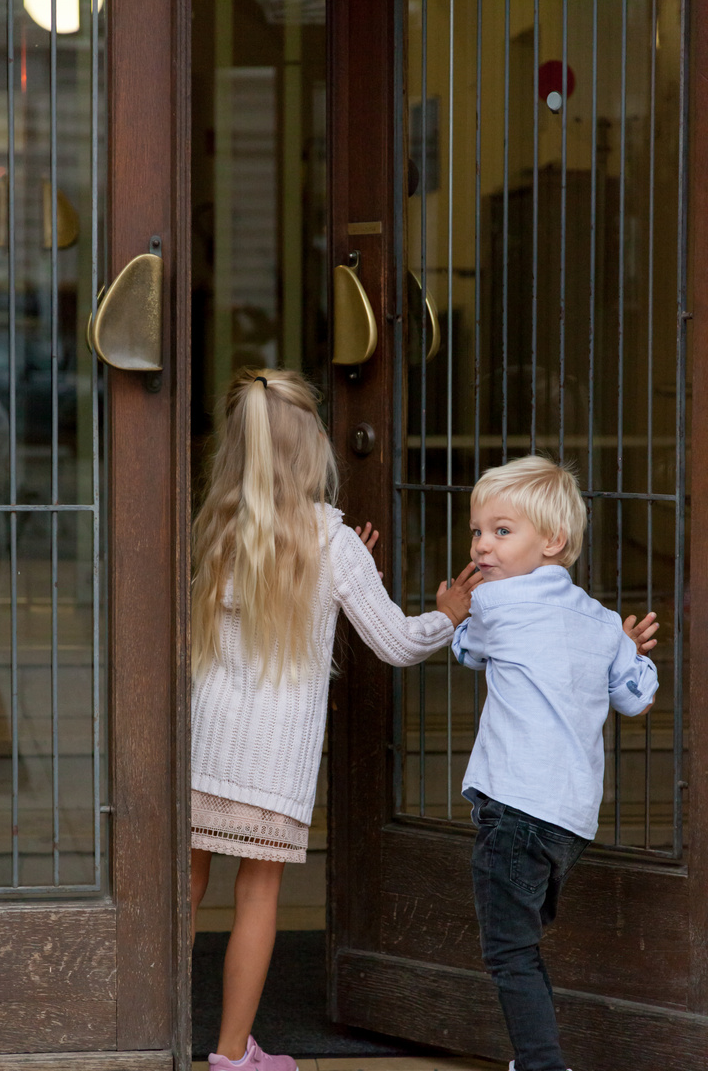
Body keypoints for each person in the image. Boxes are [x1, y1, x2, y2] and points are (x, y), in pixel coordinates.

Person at [190, 367, 482, 1071]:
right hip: (272, 757)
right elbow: (396, 642)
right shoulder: (332, 541)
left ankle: (149, 1025)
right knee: (257, 893)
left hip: (203, 741)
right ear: (311, 448)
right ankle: (233, 1055)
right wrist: (446, 614)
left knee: (186, 887)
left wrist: (349, 574)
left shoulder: (216, 526)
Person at [451, 455, 659, 1071]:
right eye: (477, 531)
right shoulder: (598, 622)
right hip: (570, 823)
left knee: (510, 953)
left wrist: (454, 610)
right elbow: (636, 698)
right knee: (526, 929)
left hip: (514, 810)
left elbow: (465, 650)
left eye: (501, 530)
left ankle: (542, 1065)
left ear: (554, 541)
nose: (482, 546)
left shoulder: (491, 608)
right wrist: (629, 649)